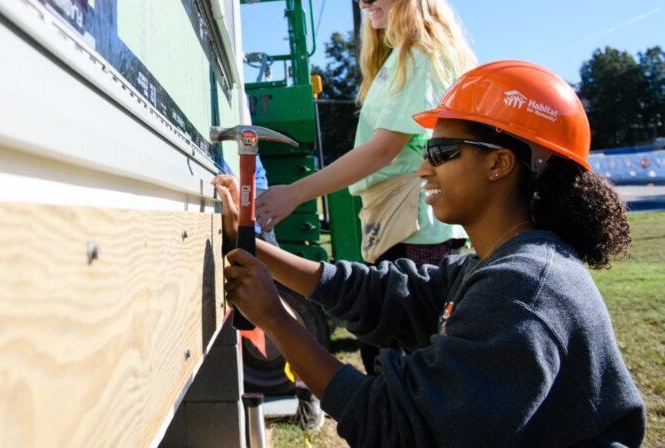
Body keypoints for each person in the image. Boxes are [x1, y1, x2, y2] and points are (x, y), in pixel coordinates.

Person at [216, 60, 646, 447]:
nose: (424, 169)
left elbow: (401, 430)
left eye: (441, 153)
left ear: (499, 164)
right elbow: (385, 296)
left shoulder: (522, 288)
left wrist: (275, 318)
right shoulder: (495, 264)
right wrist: (253, 248)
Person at [256, 0, 475, 271]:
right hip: (400, 220)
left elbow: (383, 151)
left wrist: (293, 194)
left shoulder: (420, 54)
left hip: (415, 229)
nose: (364, 4)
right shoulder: (400, 56)